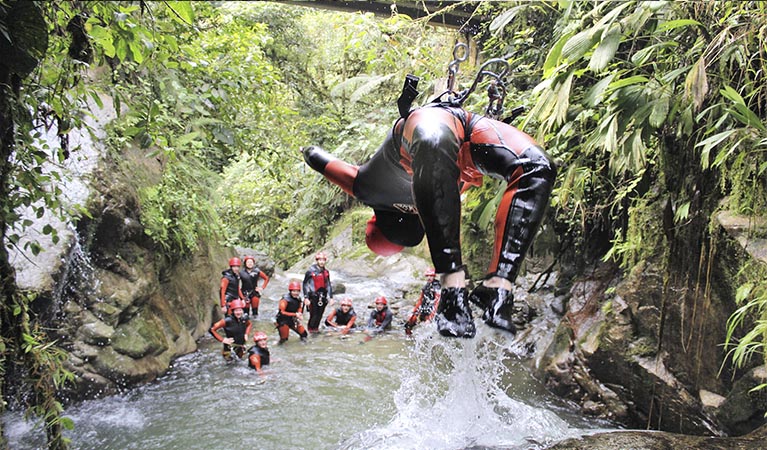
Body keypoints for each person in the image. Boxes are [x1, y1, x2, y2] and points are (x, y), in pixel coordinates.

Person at [302, 86, 555, 338]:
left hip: (442, 135)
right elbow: (316, 157)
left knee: (435, 143)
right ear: (374, 220)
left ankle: (457, 287)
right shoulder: (366, 189)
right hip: (452, 129)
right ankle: (498, 285)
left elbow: (450, 185)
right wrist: (306, 150)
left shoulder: (435, 200)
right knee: (537, 167)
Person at [302, 252, 333, 333]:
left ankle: (316, 329)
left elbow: (328, 284)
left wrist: (331, 297)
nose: (322, 262)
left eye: (323, 260)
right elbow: (305, 284)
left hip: (323, 296)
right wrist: (306, 297)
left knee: (320, 315)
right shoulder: (310, 271)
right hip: (313, 296)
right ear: (317, 261)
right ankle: (310, 330)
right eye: (320, 260)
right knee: (314, 315)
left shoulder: (326, 272)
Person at [405, 268, 441, 336]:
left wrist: (430, 318)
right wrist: (414, 312)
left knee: (429, 330)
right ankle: (409, 337)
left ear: (434, 276)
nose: (429, 278)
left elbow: (437, 303)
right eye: (427, 276)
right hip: (424, 309)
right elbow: (420, 300)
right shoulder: (426, 287)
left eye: (431, 276)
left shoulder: (437, 287)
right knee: (409, 323)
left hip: (432, 312)